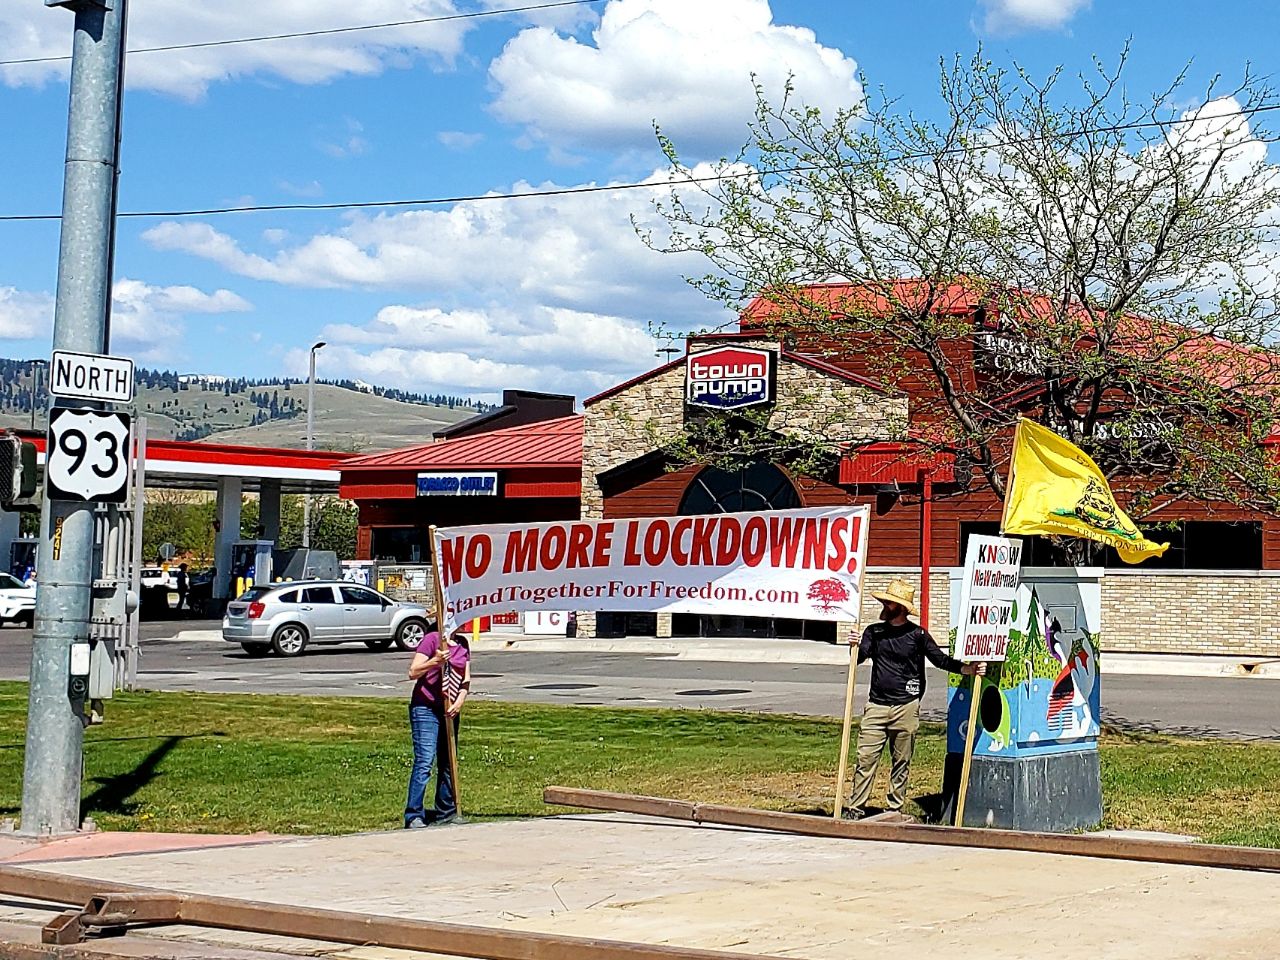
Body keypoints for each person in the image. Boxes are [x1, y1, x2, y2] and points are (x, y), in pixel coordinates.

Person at [846, 577, 985, 820]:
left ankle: (894, 808)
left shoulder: (917, 634)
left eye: (889, 603)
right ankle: (855, 808)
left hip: (906, 707)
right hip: (876, 706)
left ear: (900, 608)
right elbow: (858, 659)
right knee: (865, 758)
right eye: (885, 601)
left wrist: (968, 669)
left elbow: (940, 659)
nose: (884, 606)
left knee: (901, 760)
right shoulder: (874, 632)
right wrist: (854, 646)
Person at [404, 627, 471, 829]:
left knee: (449, 760)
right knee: (425, 761)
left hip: (450, 708)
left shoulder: (463, 643)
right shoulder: (431, 640)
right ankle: (414, 814)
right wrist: (435, 662)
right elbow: (413, 672)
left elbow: (465, 680)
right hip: (426, 707)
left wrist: (459, 702)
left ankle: (446, 811)